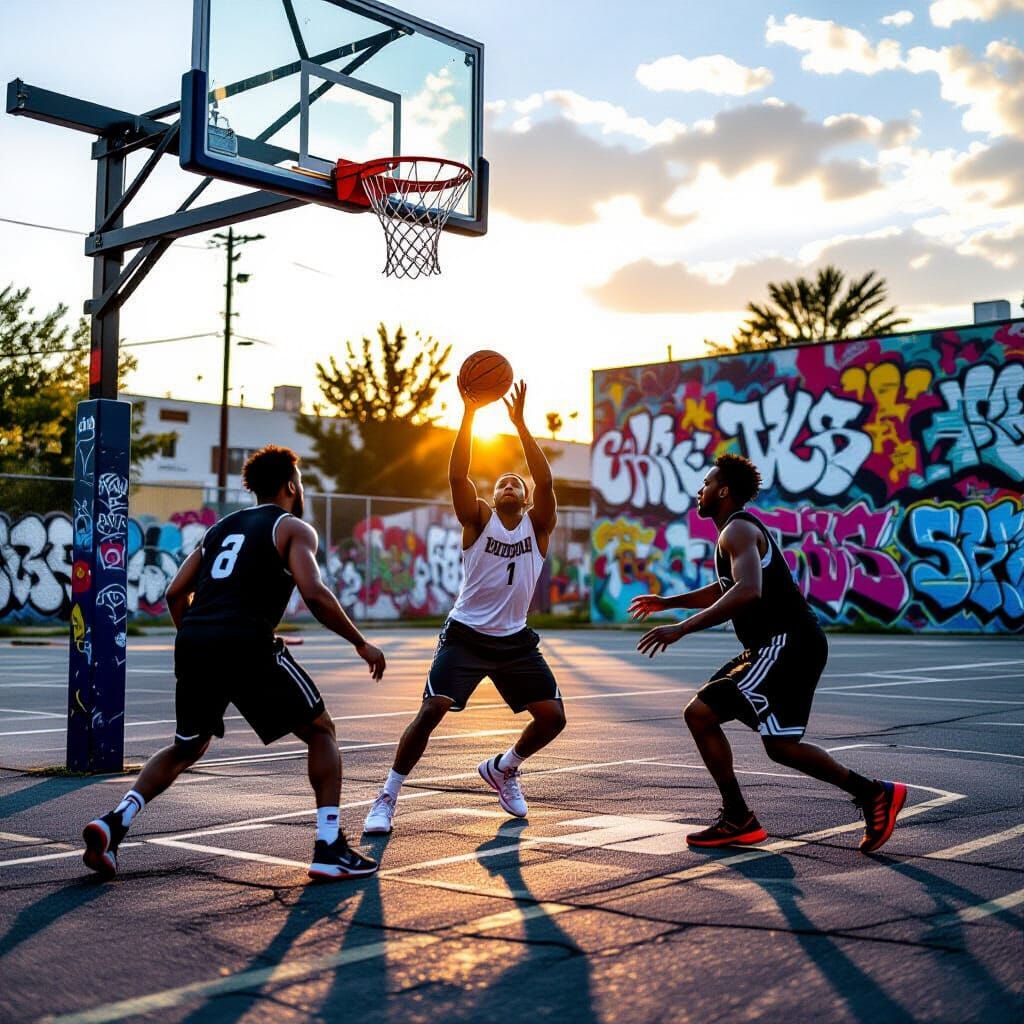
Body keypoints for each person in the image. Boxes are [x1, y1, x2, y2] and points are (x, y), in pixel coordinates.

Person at [82, 445, 386, 881]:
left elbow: (173, 593)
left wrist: (202, 634)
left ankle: (115, 821)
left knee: (187, 744)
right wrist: (361, 643)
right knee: (321, 730)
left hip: (194, 642)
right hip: (244, 642)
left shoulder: (219, 529)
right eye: (298, 481)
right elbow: (314, 593)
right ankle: (329, 846)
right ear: (289, 485)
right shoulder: (293, 528)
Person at [631, 453, 907, 853]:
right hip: (786, 645)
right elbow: (727, 587)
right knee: (781, 746)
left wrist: (682, 628)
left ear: (723, 491)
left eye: (706, 483)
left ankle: (738, 817)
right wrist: (667, 601)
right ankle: (874, 794)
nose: (700, 490)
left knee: (700, 714)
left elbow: (748, 590)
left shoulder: (737, 530)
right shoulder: (734, 532)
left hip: (785, 643)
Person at [362, 381, 564, 834]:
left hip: (515, 640)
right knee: (432, 709)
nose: (509, 485)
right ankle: (387, 797)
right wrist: (469, 414)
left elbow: (547, 479)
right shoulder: (477, 519)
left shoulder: (538, 528)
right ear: (492, 498)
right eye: (501, 483)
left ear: (526, 497)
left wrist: (520, 425)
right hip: (467, 635)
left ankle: (505, 767)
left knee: (553, 719)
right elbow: (457, 477)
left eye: (517, 483)